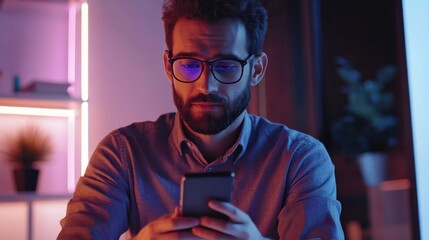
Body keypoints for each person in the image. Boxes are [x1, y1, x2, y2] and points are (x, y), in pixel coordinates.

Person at [58, 0, 344, 239]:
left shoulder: (301, 158)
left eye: (226, 66)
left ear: (256, 69)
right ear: (168, 68)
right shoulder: (122, 154)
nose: (206, 86)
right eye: (189, 64)